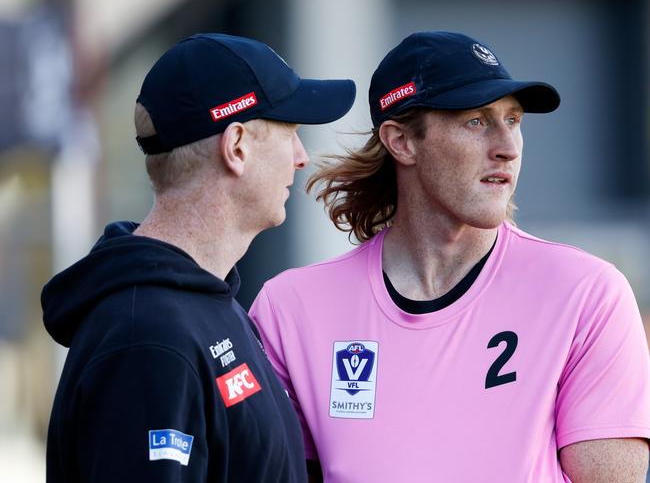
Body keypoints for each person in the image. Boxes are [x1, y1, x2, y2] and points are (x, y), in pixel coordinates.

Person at [249, 31, 650, 482]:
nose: (508, 147)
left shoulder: (588, 294)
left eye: (513, 120)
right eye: (476, 121)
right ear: (401, 142)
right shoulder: (290, 307)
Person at [41, 33, 355, 482]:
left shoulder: (205, 303)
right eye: (291, 132)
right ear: (237, 146)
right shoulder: (146, 338)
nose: (302, 158)